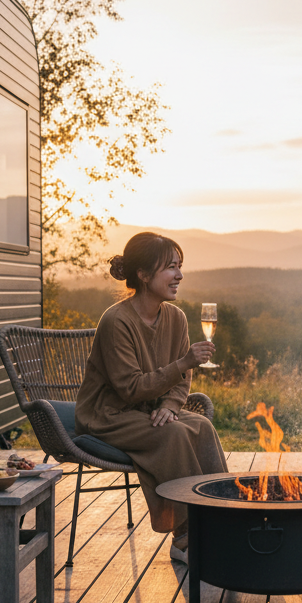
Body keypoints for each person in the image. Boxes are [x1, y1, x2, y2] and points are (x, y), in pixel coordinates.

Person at [74, 232, 227, 563]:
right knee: (171, 436)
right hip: (110, 414)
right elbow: (130, 388)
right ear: (143, 275)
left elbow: (181, 383)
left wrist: (172, 406)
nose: (179, 275)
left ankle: (223, 517)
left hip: (151, 409)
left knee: (200, 426)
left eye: (180, 266)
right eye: (171, 267)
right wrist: (184, 361)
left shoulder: (176, 317)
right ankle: (185, 537)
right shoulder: (117, 321)